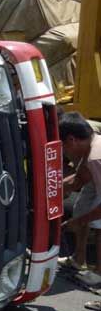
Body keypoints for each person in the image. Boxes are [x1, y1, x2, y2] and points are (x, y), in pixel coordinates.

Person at [59, 112, 101, 286]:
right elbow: (81, 177)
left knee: (99, 226)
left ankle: (99, 275)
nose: (64, 152)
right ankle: (78, 260)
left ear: (71, 140)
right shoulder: (93, 142)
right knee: (84, 208)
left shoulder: (96, 158)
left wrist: (78, 222)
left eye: (63, 146)